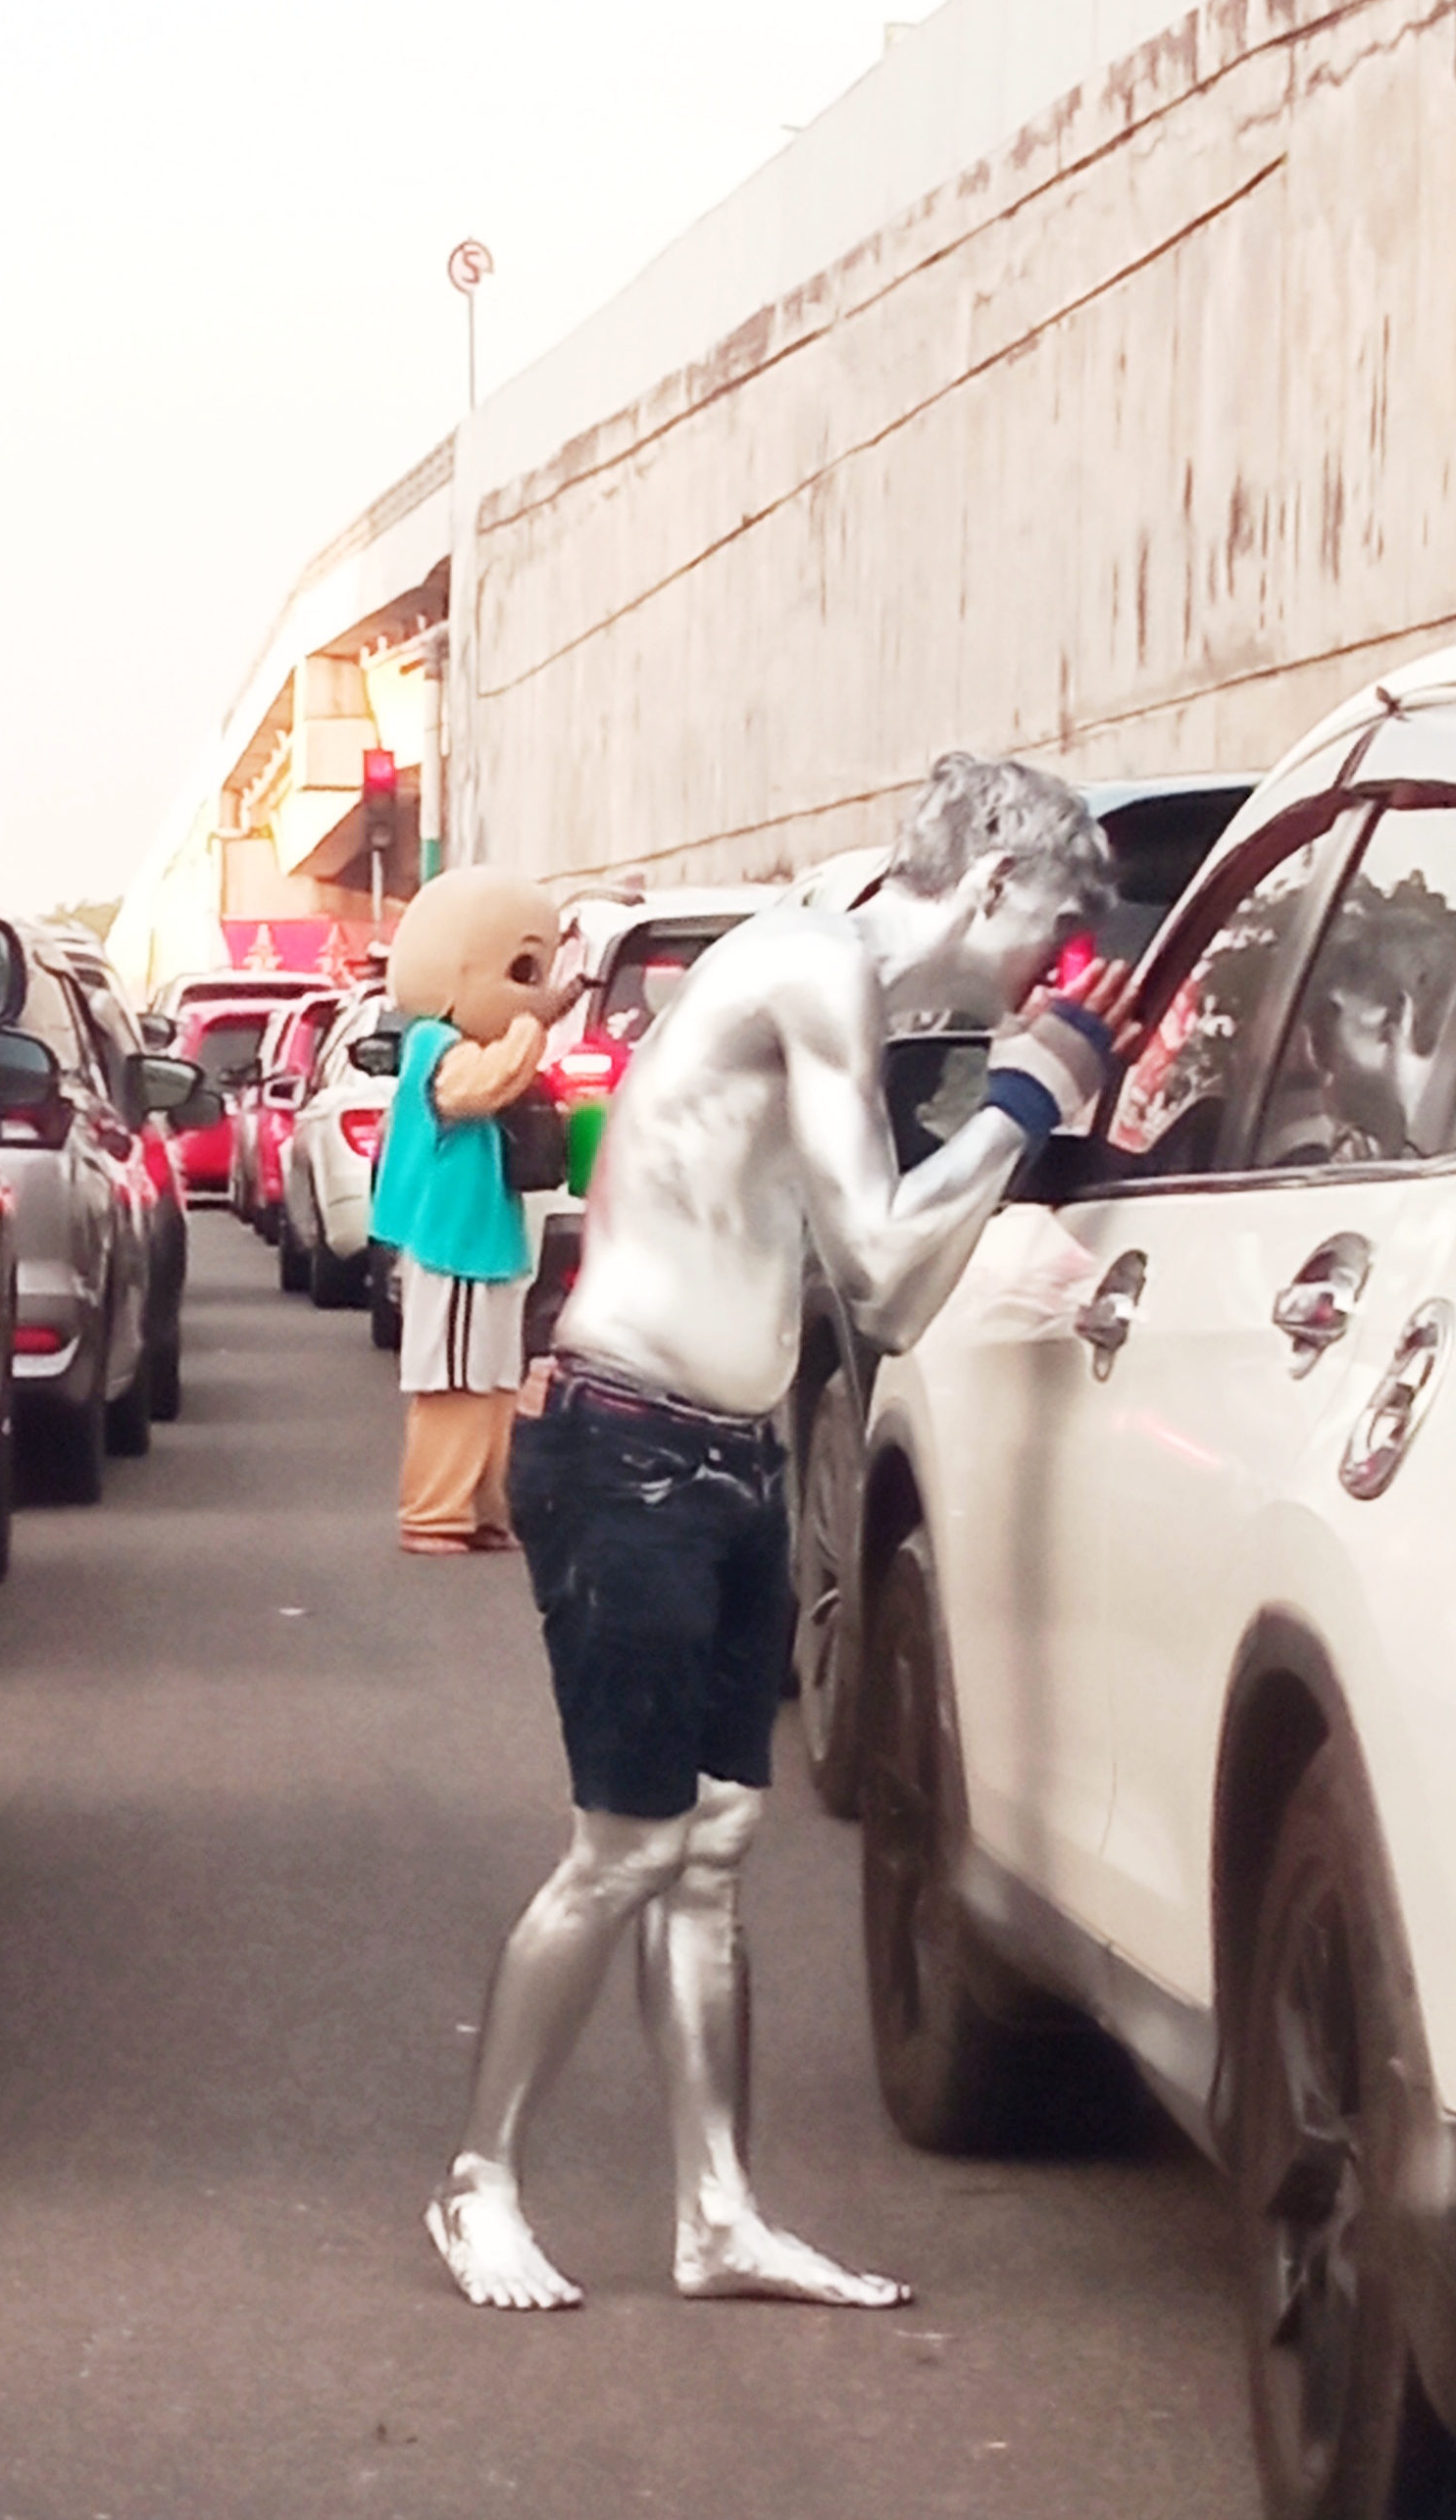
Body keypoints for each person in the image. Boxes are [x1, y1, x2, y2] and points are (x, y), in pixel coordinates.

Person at [427, 752, 1139, 2311]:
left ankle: (717, 2217)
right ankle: (478, 2183)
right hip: (626, 1450)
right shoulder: (817, 969)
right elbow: (884, 1270)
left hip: (728, 1454)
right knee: (622, 1850)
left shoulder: (833, 967)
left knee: (716, 1853)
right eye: (1050, 935)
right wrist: (1035, 1094)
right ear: (999, 882)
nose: (1039, 974)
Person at [366, 867, 577, 1555]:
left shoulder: (468, 1044)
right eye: (521, 969)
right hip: (449, 1241)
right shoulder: (436, 1046)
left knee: (491, 1383)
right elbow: (476, 1091)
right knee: (453, 1383)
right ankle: (434, 1512)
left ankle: (483, 1509)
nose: (528, 989)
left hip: (484, 1238)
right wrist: (531, 1023)